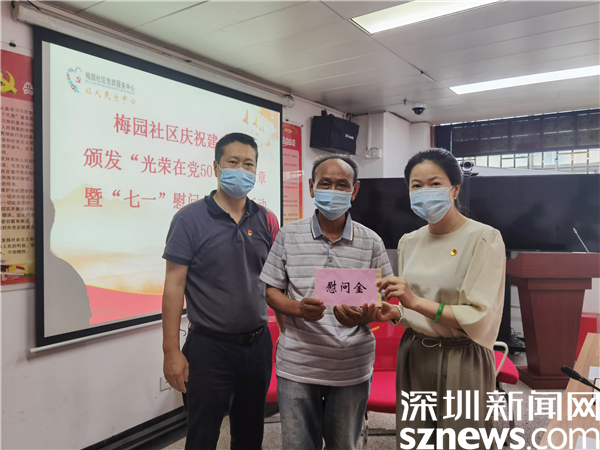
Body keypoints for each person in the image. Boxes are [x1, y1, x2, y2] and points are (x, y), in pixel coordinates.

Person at [372, 148, 506, 450]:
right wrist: (395, 312)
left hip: (462, 356)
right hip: (414, 351)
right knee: (415, 439)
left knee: (462, 440)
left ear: (455, 189)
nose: (425, 192)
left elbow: (478, 315)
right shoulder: (409, 241)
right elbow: (410, 307)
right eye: (416, 185)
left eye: (435, 183)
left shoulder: (483, 238)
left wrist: (413, 302)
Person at [260, 154, 394, 450]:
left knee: (343, 444)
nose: (333, 190)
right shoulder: (288, 235)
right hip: (298, 362)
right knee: (297, 445)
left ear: (355, 190)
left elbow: (383, 299)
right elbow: (271, 291)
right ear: (311, 187)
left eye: (342, 184)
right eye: (325, 183)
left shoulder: (371, 241)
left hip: (351, 364)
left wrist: (365, 315)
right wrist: (297, 308)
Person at [161, 132, 279, 450]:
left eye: (249, 164)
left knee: (250, 434)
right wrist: (170, 351)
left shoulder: (267, 219)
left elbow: (275, 281)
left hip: (257, 344)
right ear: (216, 167)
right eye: (233, 162)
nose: (241, 170)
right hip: (208, 348)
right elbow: (173, 286)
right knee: (202, 435)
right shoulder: (189, 220)